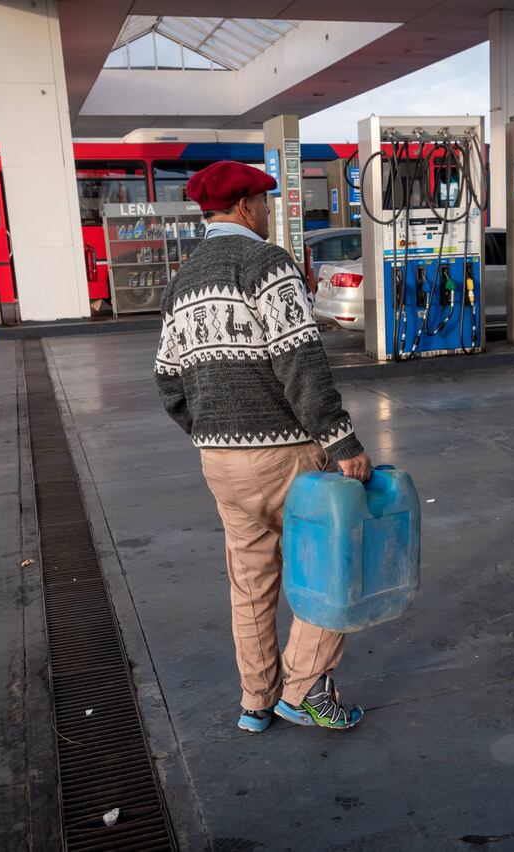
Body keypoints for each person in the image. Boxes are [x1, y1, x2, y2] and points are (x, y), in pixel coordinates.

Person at [154, 161, 372, 731]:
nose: (270, 212)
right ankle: (302, 691)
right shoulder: (266, 263)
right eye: (266, 203)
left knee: (250, 582)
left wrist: (211, 434)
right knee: (331, 565)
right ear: (248, 206)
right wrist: (342, 440)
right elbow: (301, 361)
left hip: (219, 462)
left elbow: (168, 381)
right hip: (286, 455)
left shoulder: (182, 280)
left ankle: (257, 700)